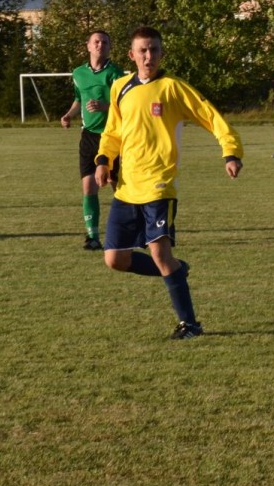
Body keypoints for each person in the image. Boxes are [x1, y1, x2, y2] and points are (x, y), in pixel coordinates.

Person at [95, 26, 244, 339]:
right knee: (115, 259)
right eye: (143, 50)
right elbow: (112, 132)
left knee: (160, 255)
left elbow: (211, 116)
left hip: (159, 186)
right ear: (131, 55)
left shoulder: (173, 88)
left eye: (154, 49)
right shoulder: (120, 87)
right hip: (126, 188)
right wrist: (103, 161)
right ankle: (177, 270)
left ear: (162, 53)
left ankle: (190, 324)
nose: (148, 56)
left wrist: (230, 152)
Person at [60, 31, 126, 250]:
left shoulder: (116, 73)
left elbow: (125, 104)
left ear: (109, 47)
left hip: (112, 136)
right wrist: (69, 115)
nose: (100, 45)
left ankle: (132, 230)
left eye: (105, 42)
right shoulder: (78, 73)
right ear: (88, 46)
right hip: (88, 136)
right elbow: (79, 99)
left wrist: (104, 106)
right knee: (89, 187)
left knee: (119, 188)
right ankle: (92, 237)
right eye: (96, 41)